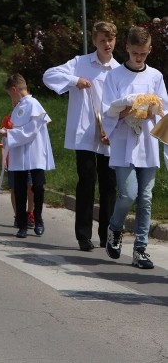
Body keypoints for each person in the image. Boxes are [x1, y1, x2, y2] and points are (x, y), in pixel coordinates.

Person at [43, 21, 119, 251]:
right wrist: (75, 81)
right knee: (86, 181)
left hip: (111, 134)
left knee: (109, 184)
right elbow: (49, 75)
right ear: (94, 40)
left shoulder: (118, 69)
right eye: (102, 40)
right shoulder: (80, 63)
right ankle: (83, 235)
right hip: (86, 133)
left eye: (111, 39)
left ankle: (106, 234)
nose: (107, 44)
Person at [102, 26, 168, 269]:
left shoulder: (155, 76)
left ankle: (140, 248)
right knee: (128, 194)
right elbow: (108, 110)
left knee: (146, 197)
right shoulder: (115, 76)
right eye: (135, 53)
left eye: (144, 53)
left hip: (147, 142)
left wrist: (154, 110)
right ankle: (115, 227)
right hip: (123, 142)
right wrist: (127, 108)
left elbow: (164, 109)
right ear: (127, 48)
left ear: (150, 50)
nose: (139, 58)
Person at [0, 74, 54, 239]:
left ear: (15, 90)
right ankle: (22, 224)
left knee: (37, 187)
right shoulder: (18, 107)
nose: (11, 98)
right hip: (19, 153)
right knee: (20, 189)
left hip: (35, 153)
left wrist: (9, 133)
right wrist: (6, 134)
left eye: (10, 94)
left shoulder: (33, 104)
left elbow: (31, 131)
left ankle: (38, 219)